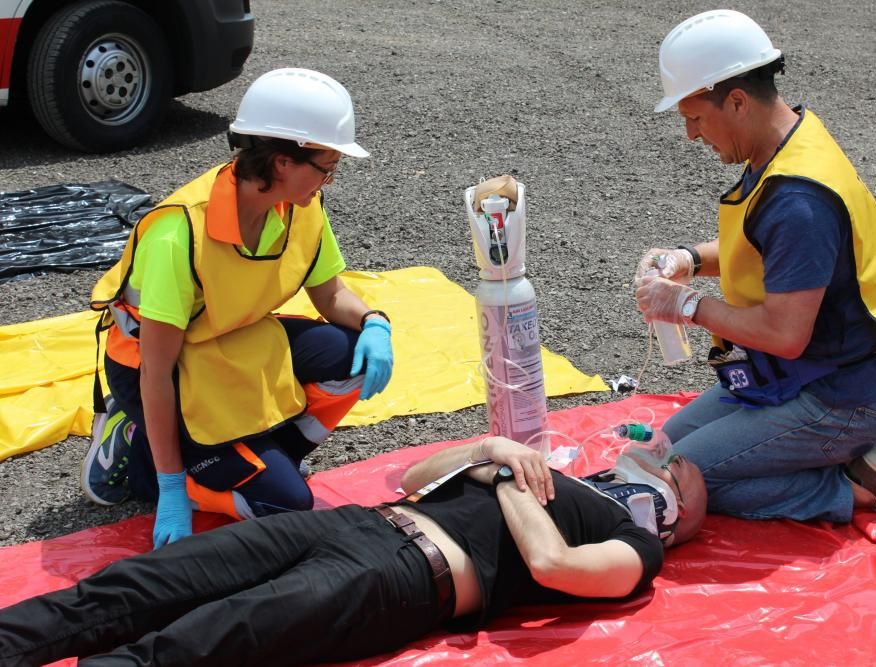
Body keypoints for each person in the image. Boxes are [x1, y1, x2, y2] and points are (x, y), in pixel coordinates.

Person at [0, 437, 707, 666]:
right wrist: (487, 449)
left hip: (401, 573)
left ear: (676, 513)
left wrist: (504, 480)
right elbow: (411, 479)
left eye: (676, 470)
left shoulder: (638, 545)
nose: (661, 455)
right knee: (135, 585)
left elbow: (555, 567)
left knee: (195, 644)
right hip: (355, 524)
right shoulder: (551, 468)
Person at [634, 10, 876, 523]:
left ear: (736, 100)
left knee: (682, 481)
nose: (692, 134)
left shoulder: (798, 199)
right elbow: (769, 251)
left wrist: (689, 305)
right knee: (657, 453)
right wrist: (689, 260)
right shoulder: (789, 142)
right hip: (800, 378)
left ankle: (847, 489)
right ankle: (823, 462)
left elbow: (785, 334)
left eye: (695, 117)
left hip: (841, 399)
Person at [83, 68, 394, 549]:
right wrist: (170, 488)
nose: (330, 178)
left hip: (233, 345)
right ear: (283, 162)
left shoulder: (301, 205)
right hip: (157, 370)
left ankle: (264, 459)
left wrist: (376, 323)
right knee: (284, 506)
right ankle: (144, 460)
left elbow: (331, 297)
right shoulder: (179, 235)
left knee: (349, 353)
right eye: (327, 165)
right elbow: (156, 370)